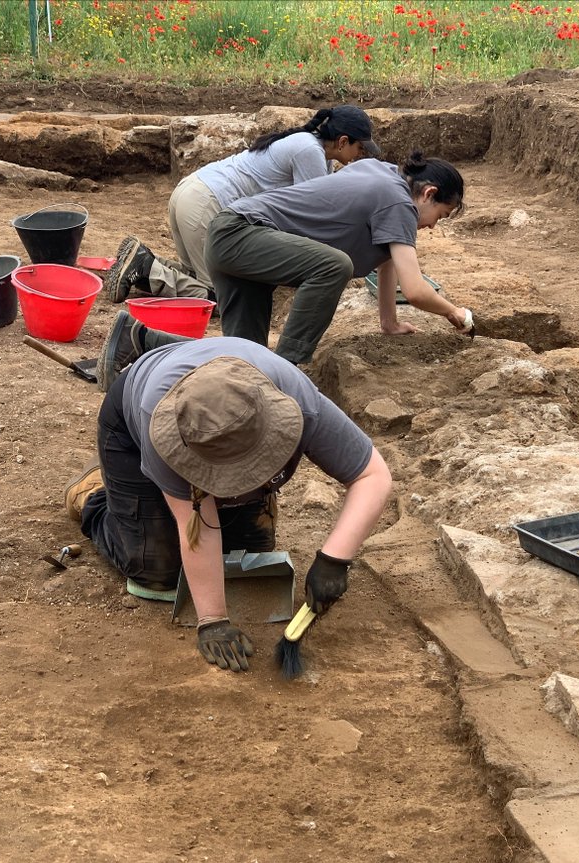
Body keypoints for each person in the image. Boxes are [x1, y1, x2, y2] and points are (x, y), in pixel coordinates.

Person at [64, 335, 393, 673]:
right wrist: (212, 620)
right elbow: (195, 524)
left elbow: (372, 477)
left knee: (250, 560)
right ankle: (94, 493)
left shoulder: (301, 402)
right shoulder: (162, 425)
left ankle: (237, 500)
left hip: (228, 397)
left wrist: (335, 558)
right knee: (157, 570)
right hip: (130, 427)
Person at [205, 149, 473, 367]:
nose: (433, 226)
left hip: (228, 234)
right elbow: (415, 291)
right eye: (441, 215)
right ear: (429, 194)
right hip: (243, 234)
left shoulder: (380, 172)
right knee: (335, 265)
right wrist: (452, 310)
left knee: (246, 361)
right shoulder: (400, 203)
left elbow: (387, 260)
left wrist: (389, 323)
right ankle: (288, 366)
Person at [103, 105, 381, 304]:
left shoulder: (312, 148)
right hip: (206, 205)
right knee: (222, 298)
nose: (360, 155)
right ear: (343, 141)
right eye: (360, 148)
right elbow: (316, 216)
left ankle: (144, 261)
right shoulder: (309, 151)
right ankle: (146, 269)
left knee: (193, 275)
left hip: (192, 193)